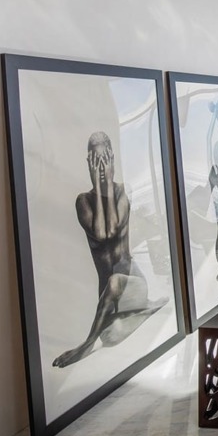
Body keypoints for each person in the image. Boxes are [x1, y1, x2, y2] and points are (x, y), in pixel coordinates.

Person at [54, 132, 164, 367]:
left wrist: (106, 188)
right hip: (108, 300)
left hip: (132, 284)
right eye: (96, 159)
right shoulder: (83, 201)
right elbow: (101, 233)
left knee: (115, 280)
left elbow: (111, 230)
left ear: (113, 158)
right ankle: (140, 312)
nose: (102, 166)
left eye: (105, 158)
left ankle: (87, 344)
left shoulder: (123, 192)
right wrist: (98, 187)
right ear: (88, 162)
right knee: (112, 337)